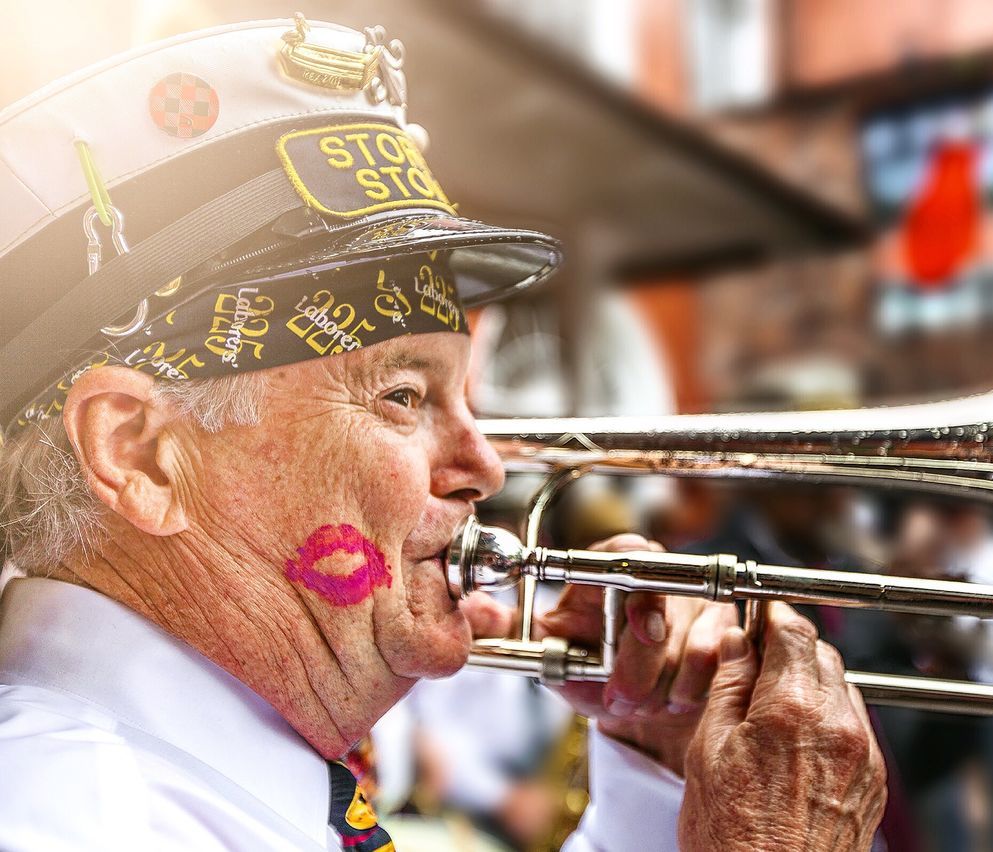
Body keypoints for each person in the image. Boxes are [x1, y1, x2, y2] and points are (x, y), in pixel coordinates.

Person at [0, 16, 887, 852]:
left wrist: (659, 781)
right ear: (141, 453)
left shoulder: (174, 778)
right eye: (401, 396)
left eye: (464, 396)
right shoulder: (69, 814)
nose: (485, 467)